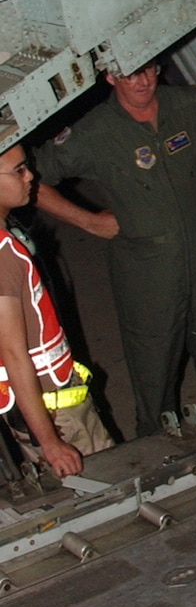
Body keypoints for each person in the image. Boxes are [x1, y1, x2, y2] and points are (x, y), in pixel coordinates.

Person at [33, 61, 196, 437]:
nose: (143, 82)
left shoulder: (183, 103)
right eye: (129, 74)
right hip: (144, 267)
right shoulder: (95, 131)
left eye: (149, 70)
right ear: (109, 76)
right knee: (153, 359)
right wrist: (87, 221)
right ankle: (154, 443)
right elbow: (31, 178)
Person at [0, 143, 100, 475]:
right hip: (57, 418)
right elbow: (14, 354)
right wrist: (51, 443)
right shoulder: (1, 256)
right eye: (18, 171)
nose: (30, 176)